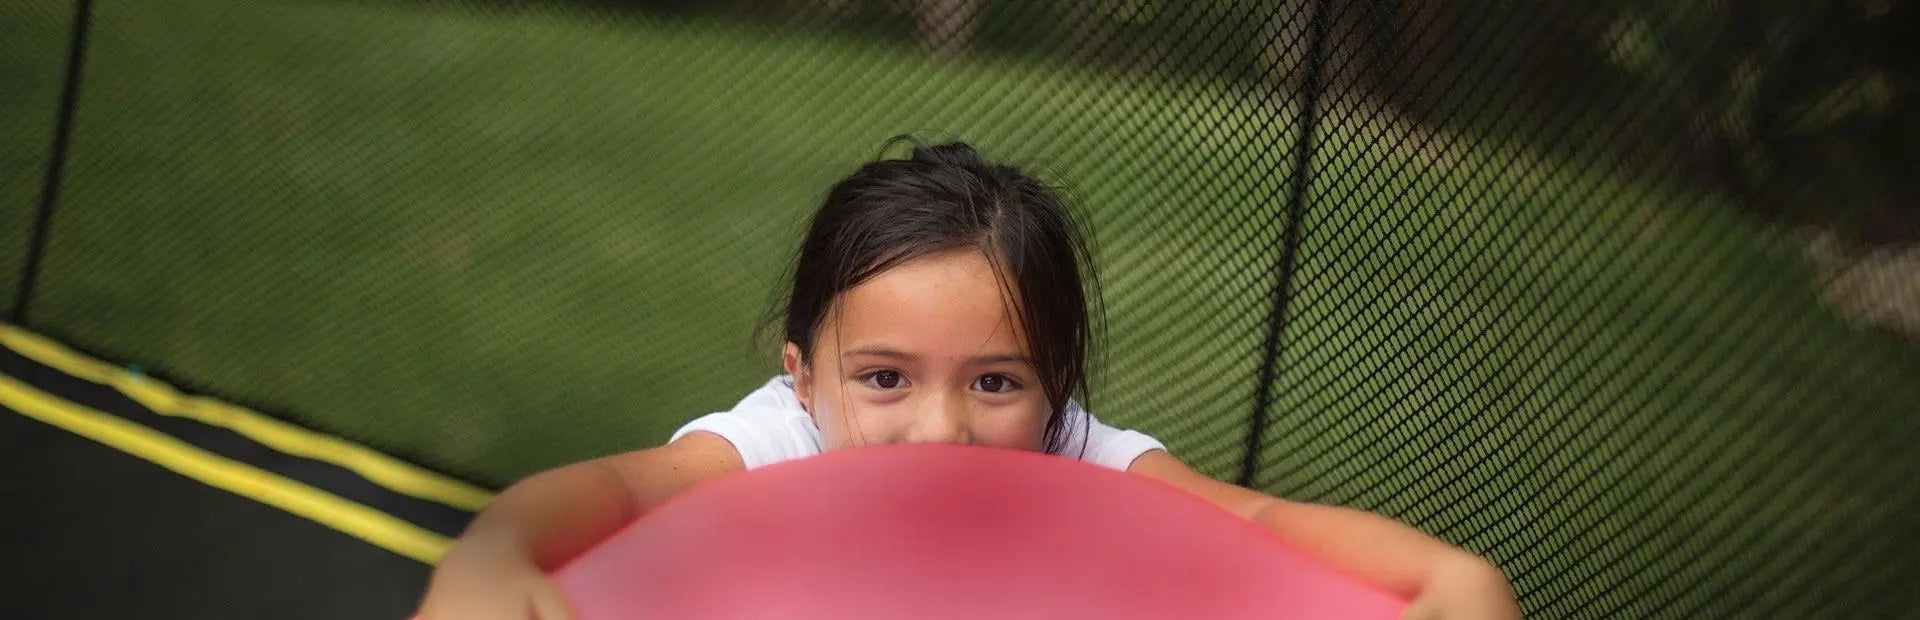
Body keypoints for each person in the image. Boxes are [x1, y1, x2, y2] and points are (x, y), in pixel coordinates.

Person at [416, 139, 1521, 619]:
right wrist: (493, 550)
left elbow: (1263, 519)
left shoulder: (1081, 454)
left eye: (996, 383)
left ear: (1057, 387)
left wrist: (1448, 572)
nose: (939, 425)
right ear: (804, 376)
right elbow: (620, 488)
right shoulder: (782, 438)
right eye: (886, 376)